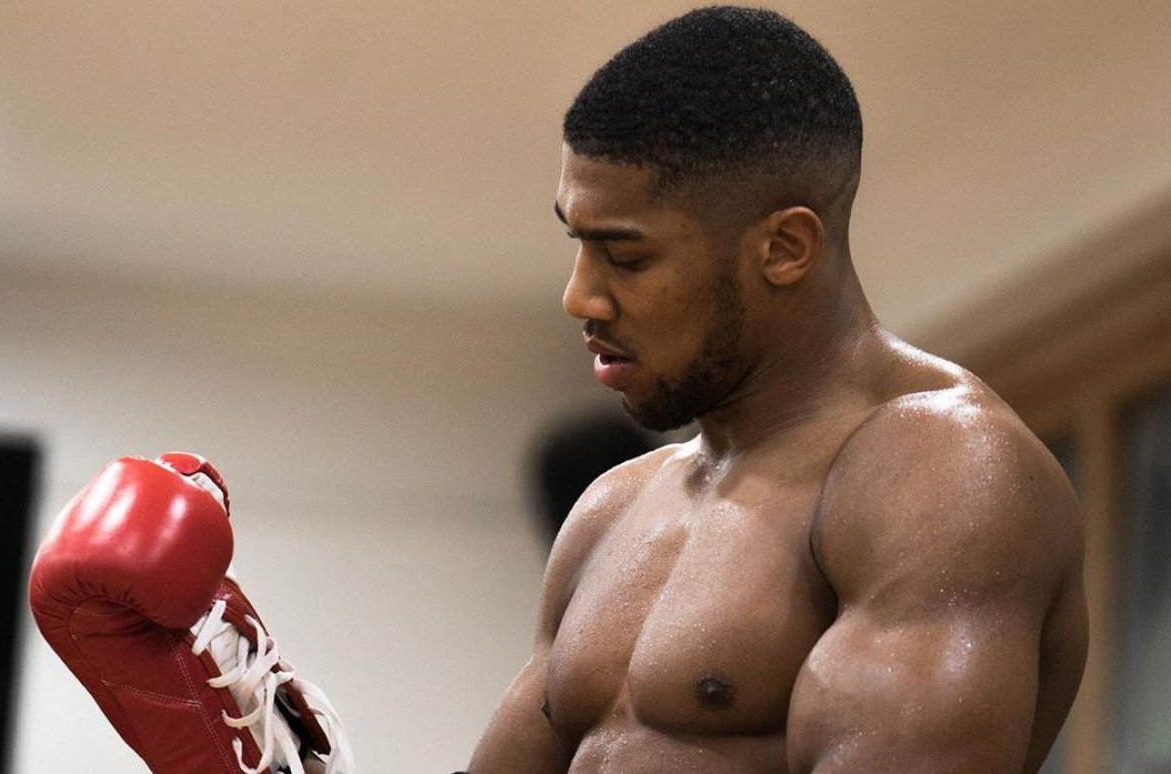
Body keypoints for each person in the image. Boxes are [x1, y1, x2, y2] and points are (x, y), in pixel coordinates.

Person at [466, 6, 1087, 773]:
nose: (579, 297)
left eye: (625, 257)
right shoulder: (612, 511)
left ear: (785, 248)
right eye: (577, 243)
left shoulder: (940, 477)